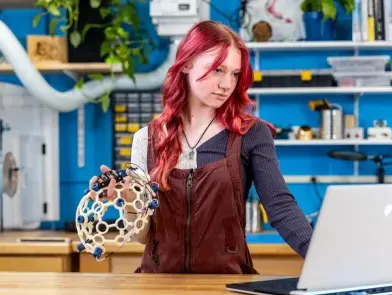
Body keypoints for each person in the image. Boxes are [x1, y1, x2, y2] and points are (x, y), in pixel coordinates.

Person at [90, 20, 313, 274]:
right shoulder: (147, 139)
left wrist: (324, 260)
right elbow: (141, 236)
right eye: (218, 70)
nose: (227, 84)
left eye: (234, 73)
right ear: (186, 64)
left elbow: (281, 208)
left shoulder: (250, 134)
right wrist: (130, 200)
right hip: (157, 289)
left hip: (227, 287)